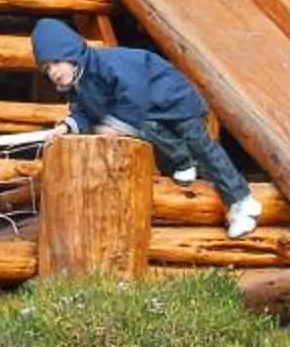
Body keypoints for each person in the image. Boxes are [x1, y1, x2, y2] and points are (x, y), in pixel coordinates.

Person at [31, 18, 262, 237]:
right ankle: (182, 163)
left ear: (72, 55)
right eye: (47, 69)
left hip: (174, 101)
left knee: (201, 145)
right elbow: (83, 112)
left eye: (57, 62)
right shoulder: (78, 86)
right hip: (149, 114)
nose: (54, 72)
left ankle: (241, 200)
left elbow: (133, 93)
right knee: (149, 136)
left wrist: (114, 125)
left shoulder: (108, 64)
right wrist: (66, 127)